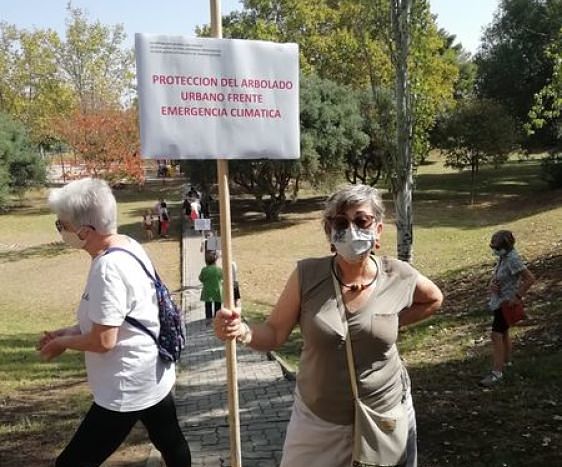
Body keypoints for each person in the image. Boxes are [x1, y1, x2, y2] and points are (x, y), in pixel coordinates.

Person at [214, 184, 443, 467]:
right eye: (340, 223)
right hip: (319, 422)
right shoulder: (307, 275)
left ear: (378, 229)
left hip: (383, 416)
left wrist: (392, 322)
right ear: (329, 232)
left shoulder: (398, 274)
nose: (351, 230)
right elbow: (273, 334)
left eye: (361, 221)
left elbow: (434, 299)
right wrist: (243, 331)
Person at [37, 178, 190, 467]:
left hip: (125, 387)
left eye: (62, 225)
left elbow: (104, 341)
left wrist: (62, 343)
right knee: (170, 443)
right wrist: (67, 332)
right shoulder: (128, 245)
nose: (61, 231)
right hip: (150, 372)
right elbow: (116, 320)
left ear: (86, 231)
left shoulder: (108, 268)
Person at [479, 230, 535, 387]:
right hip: (498, 301)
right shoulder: (503, 258)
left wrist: (517, 297)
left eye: (495, 246)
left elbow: (530, 278)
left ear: (505, 246)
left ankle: (497, 373)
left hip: (506, 304)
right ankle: (507, 362)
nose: (493, 250)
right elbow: (501, 277)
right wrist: (493, 285)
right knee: (503, 333)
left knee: (495, 335)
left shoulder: (513, 259)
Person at [199, 252, 223, 323]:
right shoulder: (218, 269)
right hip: (217, 290)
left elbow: (201, 278)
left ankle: (208, 320)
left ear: (206, 262)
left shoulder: (204, 270)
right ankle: (217, 319)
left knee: (208, 306)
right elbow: (222, 277)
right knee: (218, 306)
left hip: (207, 291)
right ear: (215, 261)